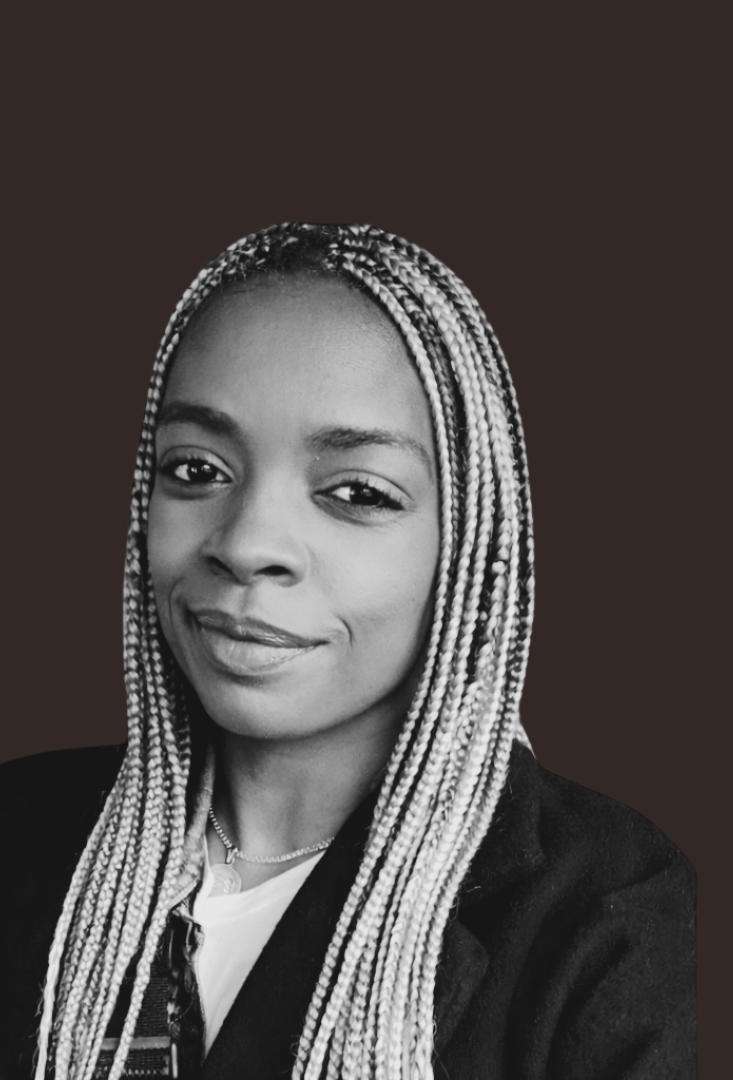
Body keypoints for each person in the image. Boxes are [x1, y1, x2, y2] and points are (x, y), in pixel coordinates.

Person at [0, 223, 695, 1080]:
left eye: (357, 492)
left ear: (470, 543)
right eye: (196, 470)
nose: (246, 544)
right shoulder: (19, 834)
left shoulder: (612, 919)